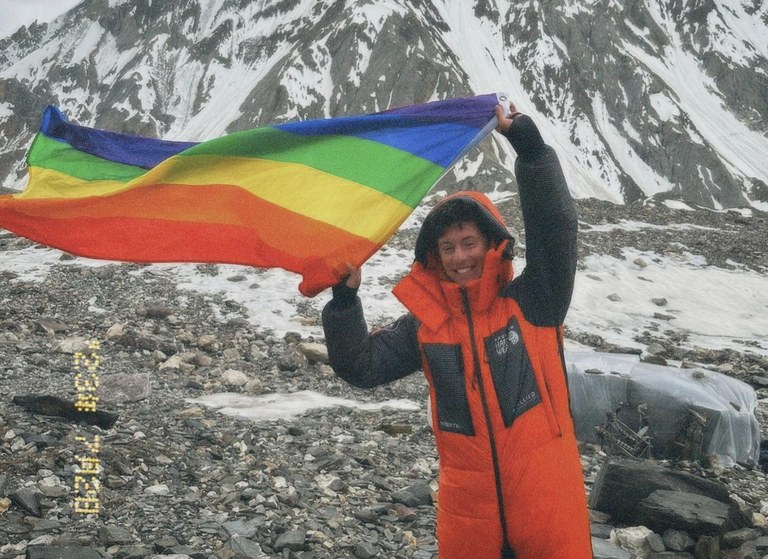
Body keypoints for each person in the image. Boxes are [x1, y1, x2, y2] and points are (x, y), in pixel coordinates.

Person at [321, 102, 592, 558]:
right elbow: (361, 367)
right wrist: (345, 302)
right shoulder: (427, 328)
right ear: (435, 257)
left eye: (469, 242)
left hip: (548, 505)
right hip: (469, 516)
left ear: (492, 245)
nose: (459, 256)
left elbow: (556, 229)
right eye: (447, 247)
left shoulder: (534, 301)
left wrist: (529, 149)